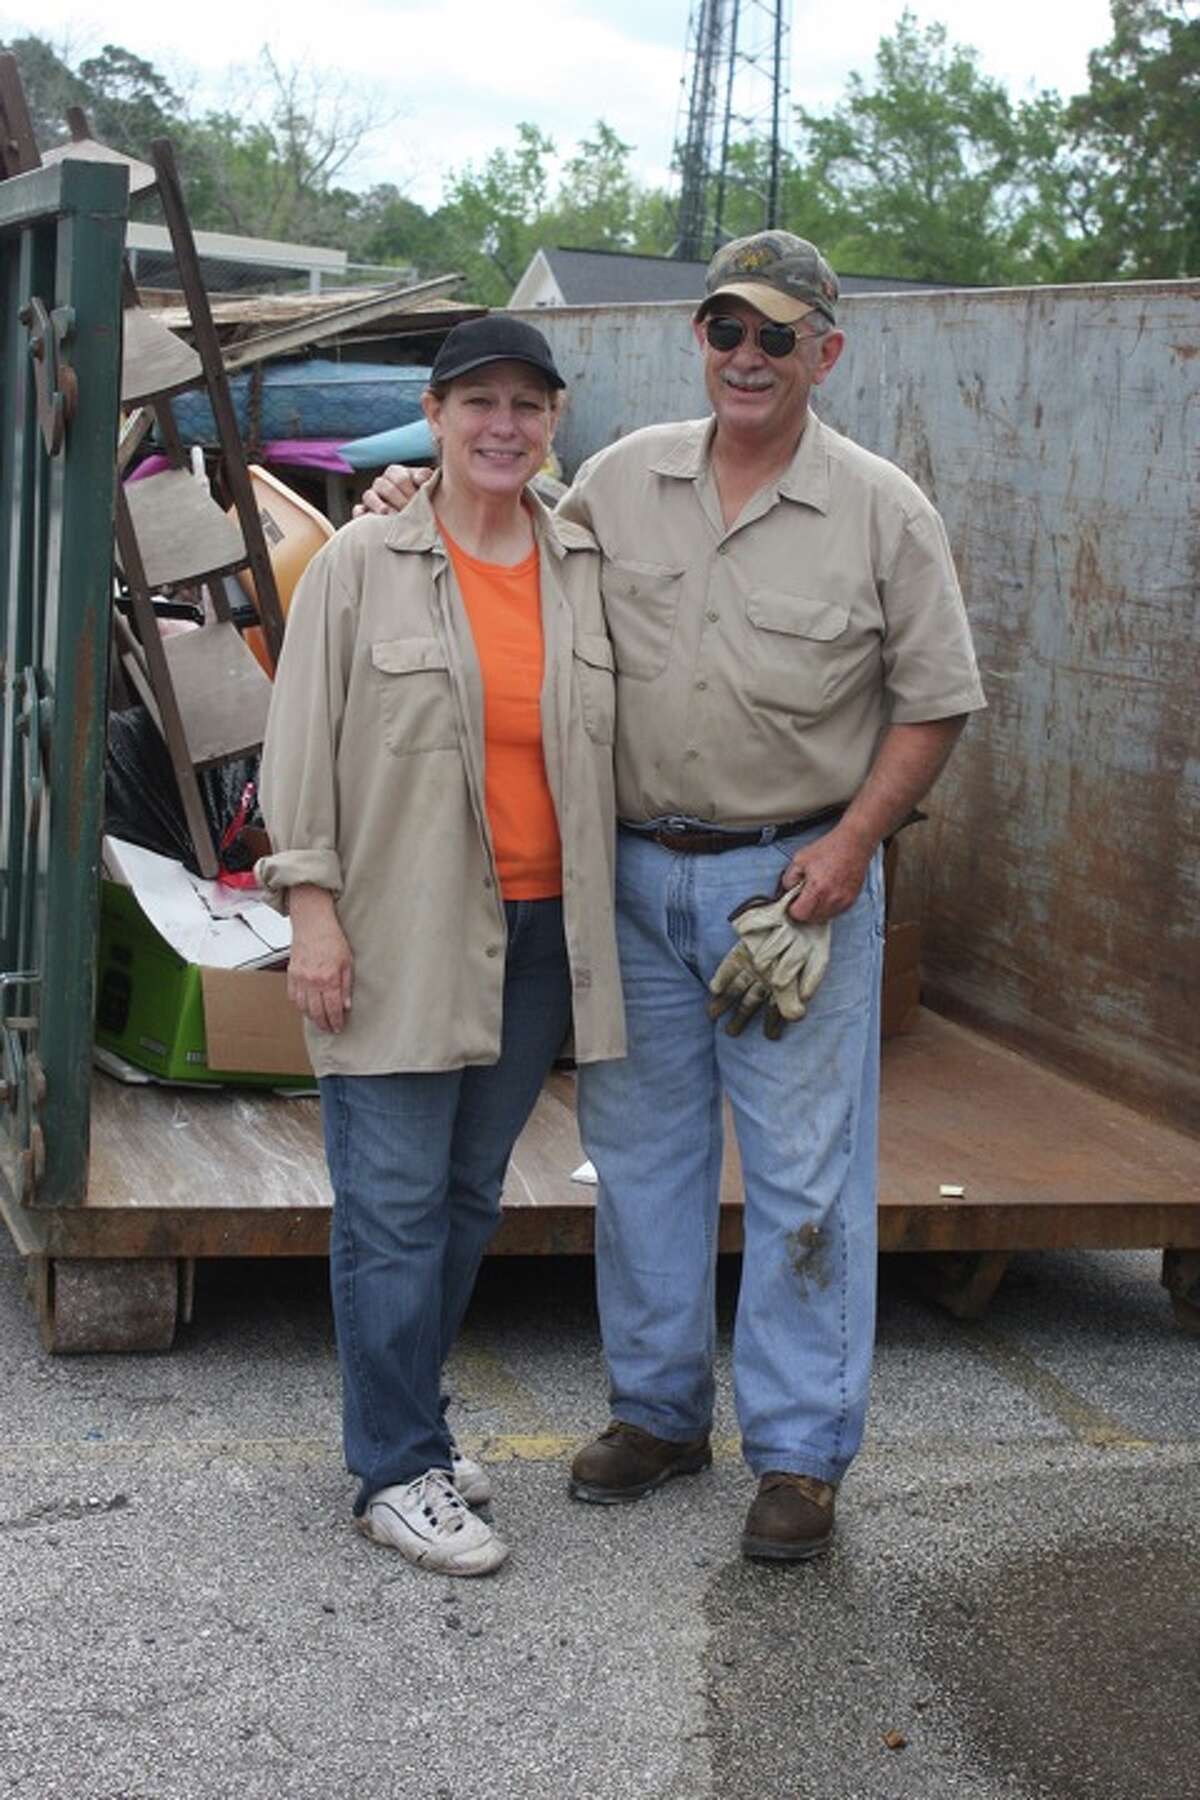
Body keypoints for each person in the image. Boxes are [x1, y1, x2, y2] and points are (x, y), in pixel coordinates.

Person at [360, 233, 986, 1562]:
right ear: (696, 343)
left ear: (826, 351)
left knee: (808, 1178)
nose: (746, 359)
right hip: (633, 881)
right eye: (725, 332)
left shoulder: (884, 512)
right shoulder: (621, 482)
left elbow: (936, 701)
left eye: (775, 336)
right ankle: (656, 1412)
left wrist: (856, 844)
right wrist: (402, 503)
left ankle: (801, 1459)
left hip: (792, 891)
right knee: (642, 1165)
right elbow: (498, 536)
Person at [257, 316, 624, 1578]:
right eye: (479, 403)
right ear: (435, 413)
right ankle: (396, 1470)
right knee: (392, 1211)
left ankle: (409, 1426)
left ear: (554, 420)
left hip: (532, 936)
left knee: (466, 1199)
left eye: (528, 403)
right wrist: (311, 911)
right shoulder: (364, 560)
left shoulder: (578, 555)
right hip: (400, 929)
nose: (502, 424)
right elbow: (298, 744)